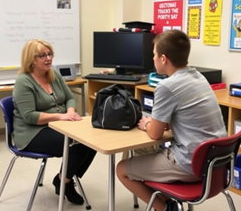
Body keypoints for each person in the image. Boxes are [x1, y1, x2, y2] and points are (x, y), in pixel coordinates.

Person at [116, 29, 227, 211]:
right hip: (216, 164)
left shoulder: (167, 86)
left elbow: (154, 134)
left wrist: (148, 124)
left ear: (163, 59)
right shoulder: (199, 77)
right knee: (144, 156)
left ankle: (166, 207)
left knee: (122, 169)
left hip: (190, 164)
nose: (152, 59)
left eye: (154, 55)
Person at [13, 39, 96, 205]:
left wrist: (70, 111)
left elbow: (70, 98)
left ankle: (63, 179)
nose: (48, 58)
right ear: (31, 59)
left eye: (50, 54)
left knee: (93, 139)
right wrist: (61, 116)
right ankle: (67, 181)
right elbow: (29, 116)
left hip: (59, 125)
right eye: (42, 55)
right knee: (76, 144)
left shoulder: (53, 74)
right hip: (32, 133)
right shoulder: (24, 81)